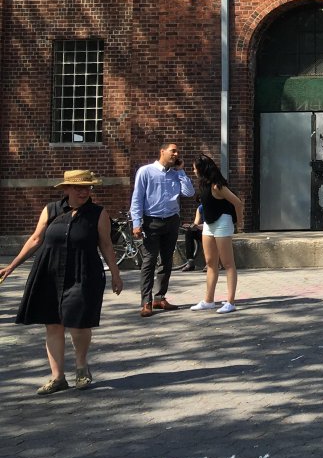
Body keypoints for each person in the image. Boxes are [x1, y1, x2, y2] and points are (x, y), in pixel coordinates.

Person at [0, 170, 123, 394]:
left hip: (83, 272)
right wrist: (12, 266)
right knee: (53, 323)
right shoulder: (51, 210)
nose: (83, 191)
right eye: (78, 187)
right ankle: (58, 378)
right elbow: (36, 238)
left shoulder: (98, 213)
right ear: (66, 189)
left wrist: (115, 274)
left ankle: (82, 367)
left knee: (78, 323)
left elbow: (106, 244)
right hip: (49, 271)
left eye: (87, 187)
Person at [129, 141, 194, 315]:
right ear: (162, 151)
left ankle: (160, 298)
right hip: (152, 222)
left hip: (171, 221)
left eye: (177, 152)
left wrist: (181, 171)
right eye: (173, 151)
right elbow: (137, 199)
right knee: (149, 261)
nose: (176, 154)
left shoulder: (176, 174)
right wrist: (136, 223)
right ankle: (146, 301)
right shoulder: (146, 171)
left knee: (167, 261)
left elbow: (189, 193)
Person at [188, 154, 244, 314]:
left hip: (222, 222)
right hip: (209, 224)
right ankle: (208, 300)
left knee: (228, 263)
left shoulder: (217, 186)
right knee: (210, 262)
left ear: (202, 169)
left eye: (194, 168)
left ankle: (230, 302)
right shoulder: (204, 185)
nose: (193, 171)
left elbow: (238, 202)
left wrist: (239, 223)